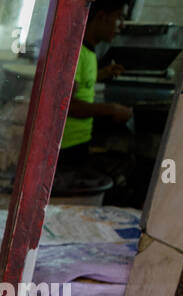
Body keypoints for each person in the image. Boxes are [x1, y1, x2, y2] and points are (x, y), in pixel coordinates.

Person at [56, 0, 132, 178]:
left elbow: (78, 84)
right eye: (118, 18)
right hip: (65, 148)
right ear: (102, 17)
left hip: (78, 143)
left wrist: (101, 74)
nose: (121, 26)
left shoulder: (89, 51)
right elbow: (67, 105)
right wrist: (112, 109)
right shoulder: (75, 51)